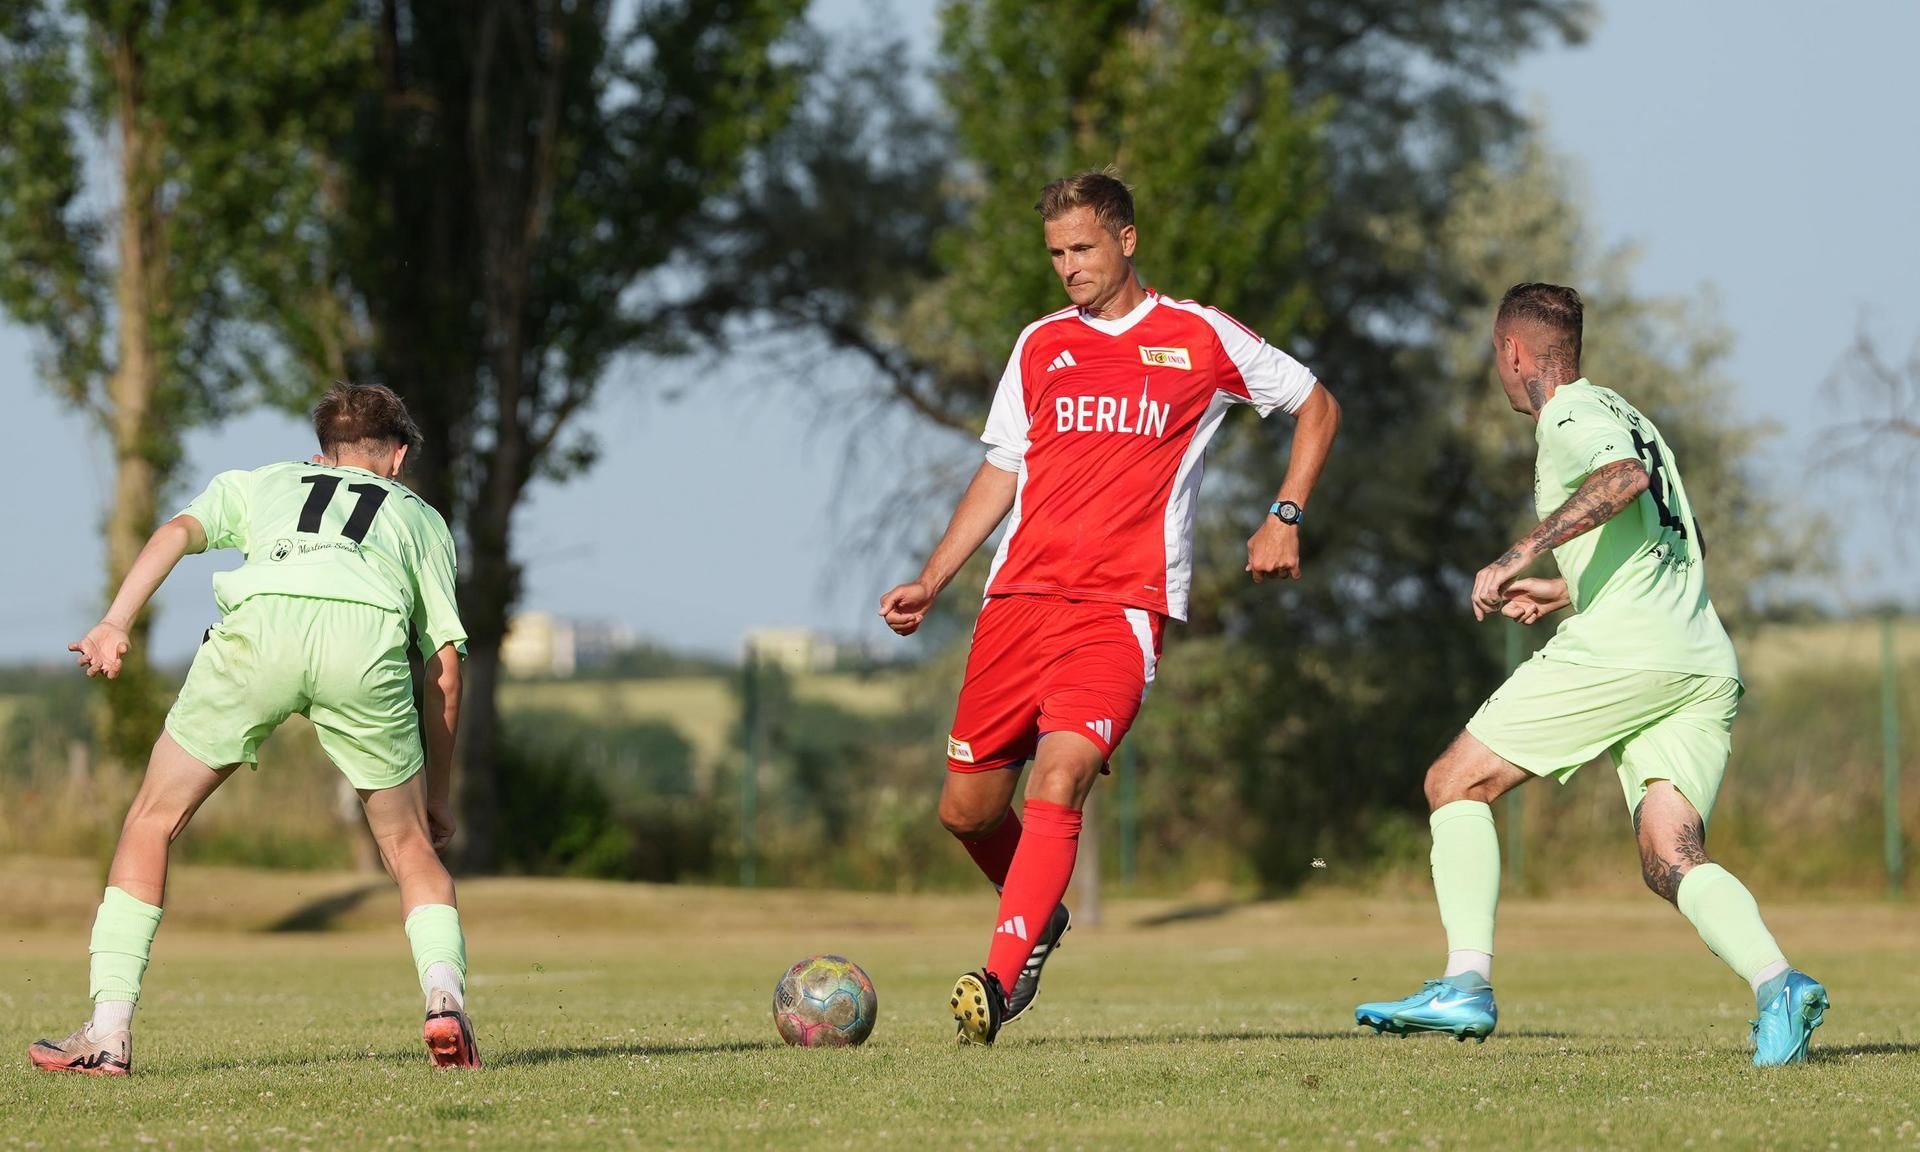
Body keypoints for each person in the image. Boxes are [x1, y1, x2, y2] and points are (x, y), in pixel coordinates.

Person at [879, 170, 1341, 1045]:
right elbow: (1002, 470)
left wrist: (1284, 514)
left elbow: (1316, 402)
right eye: (1056, 253)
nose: (1069, 268)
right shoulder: (1039, 344)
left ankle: (999, 978)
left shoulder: (1198, 336)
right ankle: (1039, 910)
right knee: (965, 813)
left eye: (1083, 248)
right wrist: (934, 576)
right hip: (1016, 603)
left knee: (1061, 779)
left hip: (1121, 610)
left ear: (1126, 240)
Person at [1353, 283, 1827, 1066]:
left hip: (1628, 652)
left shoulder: (1571, 416)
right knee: (1669, 856)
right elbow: (1668, 536)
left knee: (1454, 782)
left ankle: (1464, 983)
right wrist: (1570, 586)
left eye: (1496, 357)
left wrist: (1514, 558)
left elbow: (1621, 484)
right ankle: (1780, 985)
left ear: (1513, 352)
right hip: (1698, 657)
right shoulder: (1632, 415)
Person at [28, 382, 480, 1075]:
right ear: (395, 457)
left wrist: (115, 622)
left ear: (322, 454)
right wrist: (439, 797)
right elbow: (444, 669)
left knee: (150, 820)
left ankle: (109, 1034)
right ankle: (443, 1002)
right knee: (407, 845)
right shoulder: (419, 519)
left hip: (259, 628)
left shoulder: (267, 481)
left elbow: (176, 531)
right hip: (360, 640)